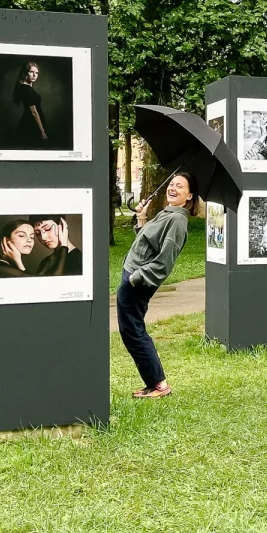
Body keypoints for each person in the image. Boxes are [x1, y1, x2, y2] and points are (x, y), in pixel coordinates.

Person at [116, 170, 198, 399]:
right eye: (172, 184)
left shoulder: (177, 220)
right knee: (131, 330)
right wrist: (142, 218)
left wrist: (136, 278)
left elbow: (164, 262)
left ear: (190, 196)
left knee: (133, 331)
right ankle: (152, 382)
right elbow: (145, 243)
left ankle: (159, 384)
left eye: (180, 186)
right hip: (133, 275)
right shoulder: (166, 213)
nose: (173, 188)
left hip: (138, 282)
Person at [13, 61, 47, 147]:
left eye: (36, 73)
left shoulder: (26, 88)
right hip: (31, 124)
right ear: (25, 73)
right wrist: (42, 131)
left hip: (30, 122)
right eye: (31, 72)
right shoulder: (27, 90)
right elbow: (34, 112)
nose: (34, 75)